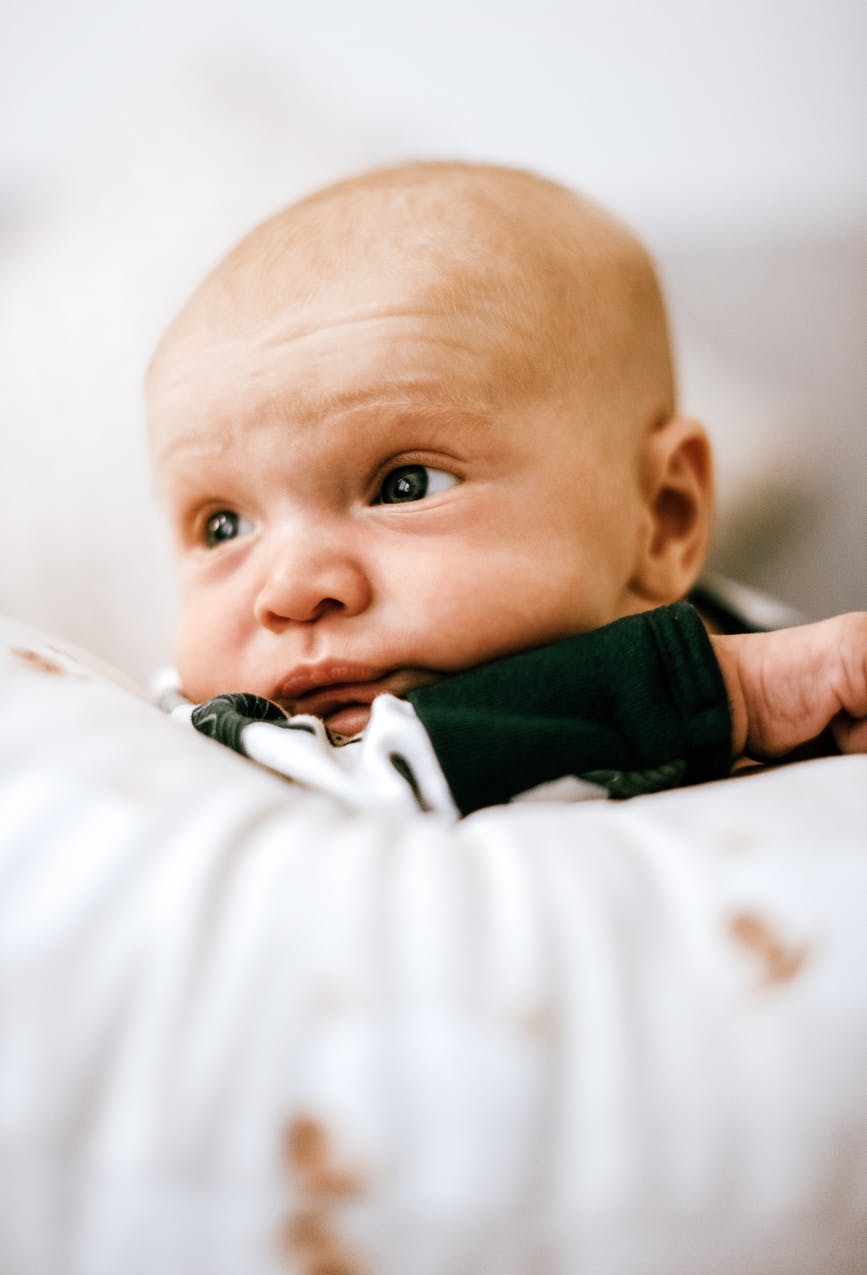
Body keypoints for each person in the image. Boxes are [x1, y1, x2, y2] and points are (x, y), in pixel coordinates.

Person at [147, 161, 866, 818]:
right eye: (222, 528)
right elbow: (355, 789)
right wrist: (731, 696)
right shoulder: (214, 742)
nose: (292, 591)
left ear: (659, 515)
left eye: (404, 485)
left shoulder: (773, 646)